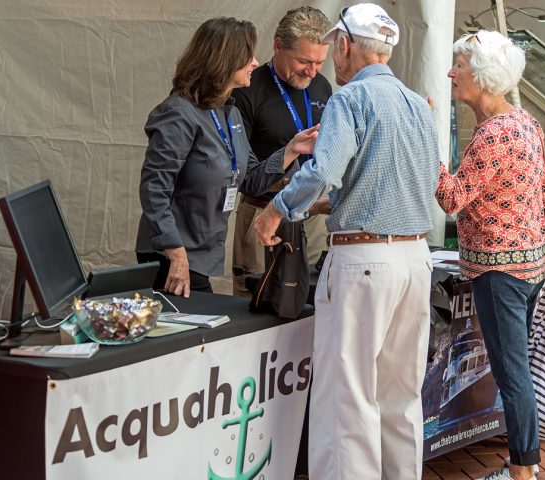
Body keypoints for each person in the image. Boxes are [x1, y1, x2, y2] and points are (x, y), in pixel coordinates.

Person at [254, 4, 439, 479]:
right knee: (400, 398)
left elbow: (324, 170)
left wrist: (278, 209)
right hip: (414, 257)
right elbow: (411, 183)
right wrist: (327, 205)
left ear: (344, 45)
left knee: (348, 399)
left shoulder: (349, 99)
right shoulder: (418, 103)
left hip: (363, 261)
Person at [435, 30, 545, 480]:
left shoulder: (491, 135)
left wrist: (427, 145)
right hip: (528, 268)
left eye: (460, 67)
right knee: (516, 368)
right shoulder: (525, 123)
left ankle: (525, 470)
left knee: (512, 375)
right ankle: (524, 463)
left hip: (499, 272)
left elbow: (451, 199)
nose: (451, 72)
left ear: (482, 78)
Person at [135, 17, 318, 298]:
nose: (256, 63)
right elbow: (154, 189)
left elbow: (251, 180)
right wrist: (176, 254)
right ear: (225, 60)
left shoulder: (228, 112)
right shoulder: (178, 114)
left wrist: (292, 149)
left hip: (201, 257)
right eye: (248, 56)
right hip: (172, 258)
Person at [232, 6, 333, 296]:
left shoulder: (322, 87)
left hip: (311, 214)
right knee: (256, 297)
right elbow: (238, 168)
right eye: (304, 61)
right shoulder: (248, 88)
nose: (312, 71)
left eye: (319, 62)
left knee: (312, 298)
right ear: (278, 46)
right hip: (261, 209)